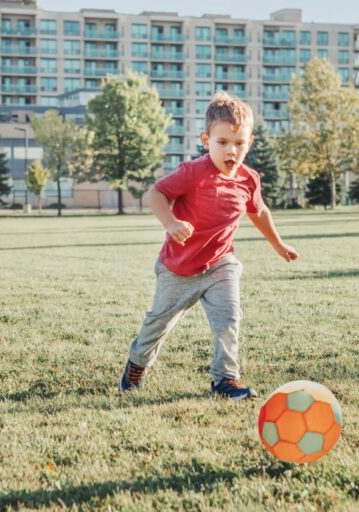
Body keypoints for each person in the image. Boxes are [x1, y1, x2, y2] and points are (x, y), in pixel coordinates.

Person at [119, 92, 299, 400]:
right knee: (158, 324)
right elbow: (156, 194)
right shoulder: (193, 172)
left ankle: (225, 380)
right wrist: (171, 223)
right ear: (206, 139)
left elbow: (260, 212)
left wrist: (278, 244)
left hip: (220, 264)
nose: (232, 150)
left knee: (228, 318)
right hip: (179, 267)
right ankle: (137, 365)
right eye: (222, 142)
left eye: (239, 143)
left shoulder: (248, 179)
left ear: (250, 143)